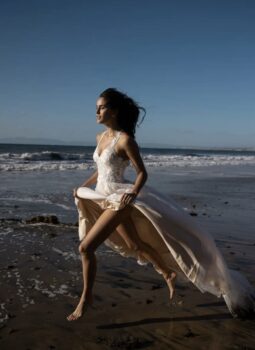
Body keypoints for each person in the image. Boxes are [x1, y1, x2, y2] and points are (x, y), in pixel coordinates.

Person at [67, 88, 255, 321]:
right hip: (101, 196)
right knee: (134, 244)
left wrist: (133, 194)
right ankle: (167, 273)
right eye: (96, 107)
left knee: (85, 248)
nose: (96, 111)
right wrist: (82, 186)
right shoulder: (100, 138)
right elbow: (100, 170)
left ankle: (86, 298)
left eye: (102, 107)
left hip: (119, 199)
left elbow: (142, 173)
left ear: (114, 111)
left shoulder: (125, 140)